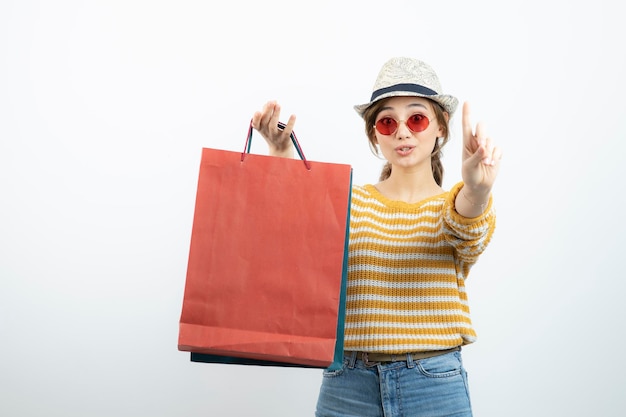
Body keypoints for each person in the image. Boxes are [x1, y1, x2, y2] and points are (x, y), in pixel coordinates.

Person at [251, 57, 501, 417]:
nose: (402, 132)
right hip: (347, 387)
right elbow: (299, 227)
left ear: (440, 128)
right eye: (387, 122)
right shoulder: (349, 200)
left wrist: (477, 191)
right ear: (374, 134)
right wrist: (280, 152)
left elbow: (468, 228)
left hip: (432, 386)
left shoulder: (453, 207)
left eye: (417, 118)